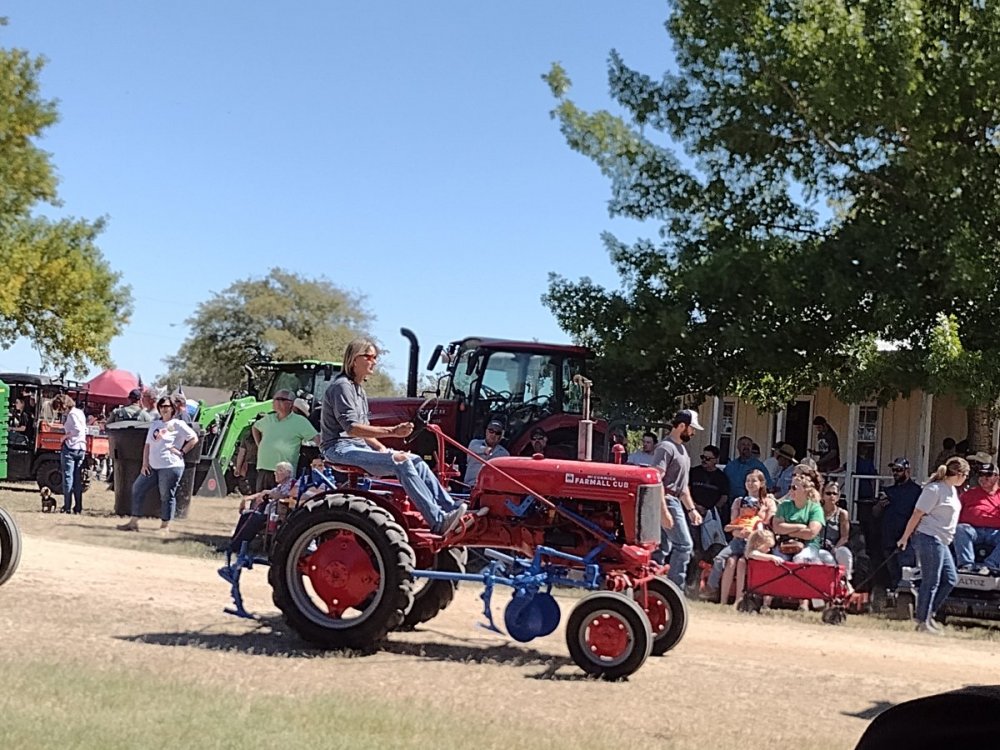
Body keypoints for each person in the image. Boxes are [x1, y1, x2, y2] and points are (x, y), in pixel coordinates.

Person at [321, 338, 469, 536]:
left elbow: (364, 431)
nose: (374, 361)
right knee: (401, 463)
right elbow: (353, 429)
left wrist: (382, 449)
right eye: (369, 357)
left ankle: (450, 509)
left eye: (375, 357)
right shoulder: (342, 387)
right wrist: (393, 432)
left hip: (357, 446)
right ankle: (438, 521)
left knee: (414, 460)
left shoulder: (359, 390)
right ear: (354, 359)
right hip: (339, 448)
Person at [896, 456, 968, 634]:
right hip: (929, 537)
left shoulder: (952, 490)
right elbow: (917, 514)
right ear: (959, 474)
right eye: (966, 475)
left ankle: (929, 614)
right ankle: (922, 621)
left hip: (943, 540)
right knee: (931, 580)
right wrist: (905, 537)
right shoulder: (934, 489)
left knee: (950, 579)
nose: (966, 479)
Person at [116, 396, 199, 533]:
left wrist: (182, 451)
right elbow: (148, 445)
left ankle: (165, 526)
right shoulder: (155, 424)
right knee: (137, 488)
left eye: (167, 406)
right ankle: (133, 522)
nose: (164, 409)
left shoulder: (178, 424)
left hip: (170, 466)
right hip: (153, 466)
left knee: (166, 495)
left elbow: (194, 438)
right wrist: (145, 463)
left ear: (173, 408)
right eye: (161, 406)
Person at [651, 409, 704, 588]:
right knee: (684, 545)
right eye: (691, 428)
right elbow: (657, 480)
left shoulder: (682, 450)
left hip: (673, 500)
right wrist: (664, 511)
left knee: (661, 548)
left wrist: (691, 509)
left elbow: (683, 486)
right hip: (665, 499)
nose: (693, 432)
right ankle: (674, 588)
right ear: (681, 426)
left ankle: (651, 586)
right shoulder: (665, 448)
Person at [706, 469, 775, 600]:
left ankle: (741, 599)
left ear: (761, 483)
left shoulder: (768, 502)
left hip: (757, 541)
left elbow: (767, 525)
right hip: (738, 539)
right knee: (730, 561)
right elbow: (732, 525)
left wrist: (752, 533)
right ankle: (719, 596)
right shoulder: (739, 501)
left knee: (742, 562)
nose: (750, 483)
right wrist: (740, 530)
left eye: (753, 481)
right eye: (747, 481)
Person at [252, 389, 319, 491]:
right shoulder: (268, 419)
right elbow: (255, 427)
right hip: (264, 469)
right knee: (260, 498)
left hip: (285, 472)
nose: (276, 402)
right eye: (275, 399)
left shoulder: (300, 422)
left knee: (281, 498)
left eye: (281, 399)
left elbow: (317, 438)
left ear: (291, 403)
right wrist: (259, 445)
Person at [876, 458, 921, 587]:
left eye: (899, 470)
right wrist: (880, 504)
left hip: (907, 541)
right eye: (894, 470)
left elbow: (920, 515)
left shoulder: (916, 491)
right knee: (893, 577)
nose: (895, 473)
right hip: (888, 540)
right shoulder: (888, 491)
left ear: (907, 471)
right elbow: (875, 513)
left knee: (906, 576)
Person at [953, 462, 1000, 574]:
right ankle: (966, 565)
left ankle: (991, 565)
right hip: (973, 530)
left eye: (988, 475)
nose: (984, 478)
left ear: (997, 477)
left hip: (995, 532)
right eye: (981, 475)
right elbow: (954, 511)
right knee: (960, 529)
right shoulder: (969, 494)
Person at [772, 477, 825, 563]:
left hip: (809, 544)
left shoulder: (815, 508)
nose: (790, 490)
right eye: (790, 487)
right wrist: (801, 526)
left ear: (805, 490)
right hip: (785, 543)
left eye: (794, 488)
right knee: (778, 560)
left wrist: (788, 532)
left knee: (800, 559)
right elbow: (777, 527)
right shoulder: (783, 506)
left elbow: (811, 533)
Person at [50, 394, 87, 514]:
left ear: (63, 405)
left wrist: (65, 436)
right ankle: (78, 507)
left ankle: (67, 506)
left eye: (59, 408)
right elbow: (83, 429)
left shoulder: (71, 414)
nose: (60, 411)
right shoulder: (80, 412)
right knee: (77, 479)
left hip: (70, 448)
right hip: (81, 448)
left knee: (68, 478)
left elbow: (77, 430)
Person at [818, 480, 854, 591]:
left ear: (838, 496)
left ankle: (846, 581)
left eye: (834, 494)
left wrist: (835, 548)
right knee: (825, 556)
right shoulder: (816, 511)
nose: (831, 496)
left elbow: (844, 537)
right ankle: (835, 582)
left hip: (835, 546)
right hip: (819, 547)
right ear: (822, 495)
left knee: (844, 552)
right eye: (828, 493)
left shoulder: (842, 513)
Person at [464, 419, 510, 485]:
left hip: (491, 488)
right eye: (491, 431)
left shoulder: (504, 453)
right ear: (486, 431)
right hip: (470, 486)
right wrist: (485, 450)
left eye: (497, 433)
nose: (493, 435)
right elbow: (477, 449)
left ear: (501, 436)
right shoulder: (474, 443)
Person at [688, 444, 729, 517]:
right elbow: (687, 490)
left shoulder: (722, 477)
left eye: (707, 458)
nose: (704, 460)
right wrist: (695, 506)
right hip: (693, 511)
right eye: (702, 457)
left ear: (716, 460)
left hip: (711, 515)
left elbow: (724, 497)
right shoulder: (694, 472)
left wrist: (712, 511)